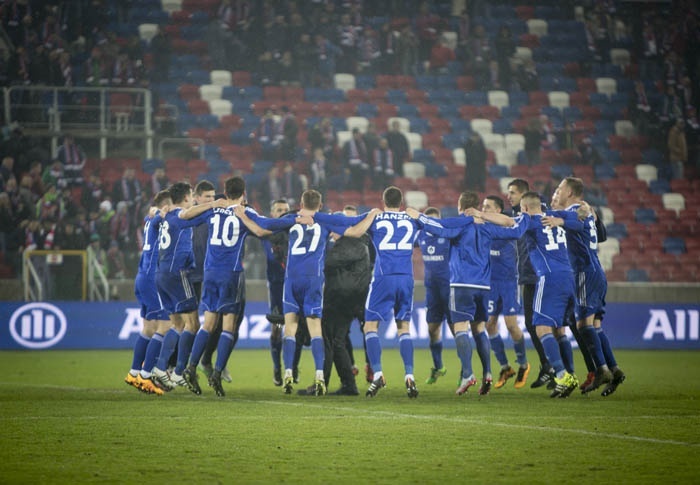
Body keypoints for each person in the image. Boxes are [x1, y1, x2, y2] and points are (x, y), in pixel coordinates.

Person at [238, 190, 377, 396]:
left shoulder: (291, 219)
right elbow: (356, 228)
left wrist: (242, 214)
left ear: (301, 202)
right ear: (320, 205)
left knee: (290, 328)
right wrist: (372, 213)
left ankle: (287, 373)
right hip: (313, 280)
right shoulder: (325, 220)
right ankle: (320, 376)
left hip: (292, 279)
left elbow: (262, 227)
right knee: (316, 330)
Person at [407, 191, 526, 396]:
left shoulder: (458, 224)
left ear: (460, 207)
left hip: (462, 283)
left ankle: (468, 374)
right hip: (484, 286)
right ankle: (488, 373)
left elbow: (437, 227)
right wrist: (528, 217)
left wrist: (419, 217)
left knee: (461, 328)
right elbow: (514, 229)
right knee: (479, 328)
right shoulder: (488, 227)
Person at [313, 186, 422, 398]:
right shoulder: (411, 219)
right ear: (401, 201)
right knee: (404, 328)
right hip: (407, 278)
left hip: (383, 278)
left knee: (370, 327)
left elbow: (352, 229)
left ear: (383, 201)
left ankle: (378, 373)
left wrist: (316, 216)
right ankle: (409, 375)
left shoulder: (376, 218)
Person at [478, 191, 579, 398]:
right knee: (559, 329)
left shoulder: (529, 220)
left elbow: (511, 228)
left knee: (541, 328)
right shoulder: (553, 216)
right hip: (569, 277)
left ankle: (561, 374)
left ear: (524, 208)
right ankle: (570, 374)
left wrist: (482, 220)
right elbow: (580, 215)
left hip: (548, 278)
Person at [181, 177, 269, 397]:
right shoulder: (246, 212)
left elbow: (184, 215)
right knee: (229, 326)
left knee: (208, 323)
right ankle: (217, 373)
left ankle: (191, 367)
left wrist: (211, 204)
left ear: (224, 192)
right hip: (231, 274)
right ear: (244, 192)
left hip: (210, 273)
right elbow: (264, 229)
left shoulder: (214, 210)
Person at [545, 177, 626, 396]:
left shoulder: (575, 211)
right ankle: (614, 369)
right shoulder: (585, 210)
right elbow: (600, 235)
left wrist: (559, 221)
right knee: (595, 325)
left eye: (560, 188)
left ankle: (600, 369)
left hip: (584, 272)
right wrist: (594, 216)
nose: (557, 191)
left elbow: (574, 222)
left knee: (582, 325)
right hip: (596, 271)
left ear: (570, 192)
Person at [150, 182, 229, 391]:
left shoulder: (166, 217)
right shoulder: (178, 215)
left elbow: (193, 217)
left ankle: (160, 367)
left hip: (162, 274)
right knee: (192, 325)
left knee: (177, 325)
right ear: (186, 198)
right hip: (177, 274)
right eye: (192, 196)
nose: (193, 198)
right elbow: (187, 215)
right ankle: (178, 372)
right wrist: (213, 206)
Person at [319, 205, 372, 395]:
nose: (330, 232)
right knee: (337, 342)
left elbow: (324, 263)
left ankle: (327, 382)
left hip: (343, 302)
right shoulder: (357, 244)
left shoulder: (347, 245)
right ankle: (348, 384)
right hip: (351, 300)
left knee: (331, 340)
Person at [124, 190, 172, 396]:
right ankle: (146, 376)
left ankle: (134, 373)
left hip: (141, 277)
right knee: (165, 325)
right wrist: (158, 212)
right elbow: (154, 215)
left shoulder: (150, 219)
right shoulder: (157, 218)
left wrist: (154, 212)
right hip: (151, 279)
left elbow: (149, 215)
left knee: (149, 327)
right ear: (166, 207)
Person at [507, 179, 554, 388]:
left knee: (550, 325)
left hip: (541, 276)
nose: (509, 196)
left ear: (524, 196)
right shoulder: (521, 218)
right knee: (531, 323)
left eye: (513, 193)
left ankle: (559, 369)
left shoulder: (538, 217)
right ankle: (548, 366)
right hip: (528, 276)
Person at [481, 196, 530, 389]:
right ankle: (505, 367)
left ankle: (523, 364)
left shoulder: (509, 229)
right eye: (482, 206)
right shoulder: (483, 229)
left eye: (488, 207)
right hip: (490, 283)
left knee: (511, 325)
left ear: (499, 211)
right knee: (489, 324)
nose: (483, 209)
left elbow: (518, 228)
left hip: (509, 283)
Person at [189, 181, 232, 384]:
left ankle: (205, 361)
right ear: (196, 197)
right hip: (188, 275)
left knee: (214, 324)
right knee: (189, 325)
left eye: (213, 197)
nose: (211, 200)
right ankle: (175, 366)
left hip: (209, 275)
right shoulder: (190, 214)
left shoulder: (215, 215)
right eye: (207, 197)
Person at [416, 207, 451, 385]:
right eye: (427, 222)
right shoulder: (421, 235)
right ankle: (439, 367)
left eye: (433, 222)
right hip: (432, 290)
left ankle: (466, 372)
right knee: (432, 330)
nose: (430, 225)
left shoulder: (449, 236)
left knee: (457, 330)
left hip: (450, 289)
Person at [261, 199, 291, 386]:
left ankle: (291, 367)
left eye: (286, 210)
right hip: (276, 286)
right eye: (279, 210)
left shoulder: (294, 231)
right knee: (276, 330)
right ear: (272, 213)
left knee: (295, 329)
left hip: (294, 284)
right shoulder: (266, 233)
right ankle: (277, 367)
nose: (283, 213)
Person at [342, 127, 369, 192]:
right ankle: (354, 190)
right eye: (356, 134)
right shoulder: (348, 144)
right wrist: (346, 167)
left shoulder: (362, 143)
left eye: (359, 134)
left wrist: (365, 163)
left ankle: (360, 190)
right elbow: (344, 156)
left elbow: (364, 155)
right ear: (353, 134)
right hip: (350, 165)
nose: (358, 135)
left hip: (360, 165)